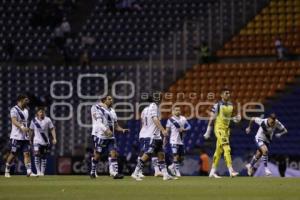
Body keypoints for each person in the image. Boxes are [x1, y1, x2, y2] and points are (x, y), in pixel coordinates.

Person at [131, 94, 175, 181]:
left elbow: (143, 123)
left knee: (161, 154)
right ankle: (135, 172)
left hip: (151, 134)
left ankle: (165, 174)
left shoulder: (144, 110)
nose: (160, 99)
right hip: (152, 135)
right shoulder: (154, 106)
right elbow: (155, 119)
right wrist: (163, 130)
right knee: (148, 152)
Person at [203, 88, 241, 178]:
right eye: (226, 93)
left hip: (226, 130)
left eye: (229, 93)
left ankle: (212, 172)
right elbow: (212, 118)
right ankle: (231, 170)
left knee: (218, 151)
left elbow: (230, 117)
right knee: (227, 149)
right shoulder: (217, 105)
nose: (228, 95)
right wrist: (208, 131)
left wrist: (236, 119)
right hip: (219, 129)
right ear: (221, 95)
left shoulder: (231, 105)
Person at [90, 95, 129, 179]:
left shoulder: (112, 111)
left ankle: (115, 173)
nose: (111, 100)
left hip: (111, 137)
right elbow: (98, 122)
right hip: (100, 135)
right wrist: (106, 130)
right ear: (104, 100)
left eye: (112, 99)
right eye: (109, 99)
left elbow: (115, 125)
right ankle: (93, 171)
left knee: (113, 153)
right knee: (97, 155)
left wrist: (122, 129)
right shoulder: (97, 108)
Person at [5, 94, 35, 177]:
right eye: (26, 100)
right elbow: (14, 121)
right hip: (16, 136)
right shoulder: (14, 109)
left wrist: (28, 134)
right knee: (13, 154)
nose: (27, 101)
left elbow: (25, 123)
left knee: (27, 153)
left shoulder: (26, 110)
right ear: (20, 100)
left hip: (25, 136)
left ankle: (29, 171)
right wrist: (21, 127)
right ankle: (7, 169)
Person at [29, 107, 57, 176]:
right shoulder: (33, 121)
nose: (42, 113)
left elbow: (52, 129)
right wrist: (29, 139)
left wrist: (54, 138)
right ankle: (38, 171)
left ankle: (42, 172)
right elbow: (31, 130)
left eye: (43, 112)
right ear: (37, 113)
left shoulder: (48, 120)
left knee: (44, 156)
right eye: (40, 112)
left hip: (45, 141)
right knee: (36, 155)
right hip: (36, 141)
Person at [165, 106, 191, 177]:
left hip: (181, 141)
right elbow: (167, 131)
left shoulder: (183, 118)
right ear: (173, 111)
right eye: (176, 110)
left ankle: (171, 166)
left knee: (181, 158)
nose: (178, 111)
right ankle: (177, 171)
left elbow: (189, 126)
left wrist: (184, 129)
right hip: (173, 140)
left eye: (179, 110)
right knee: (175, 155)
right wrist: (165, 139)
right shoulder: (170, 120)